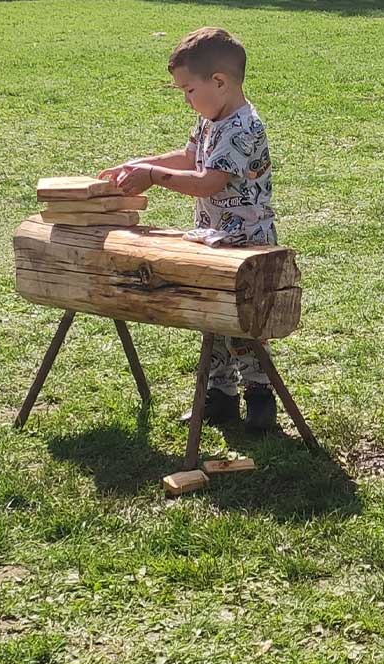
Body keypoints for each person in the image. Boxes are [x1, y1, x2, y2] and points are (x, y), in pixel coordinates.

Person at [100, 27, 280, 431]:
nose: (186, 99)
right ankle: (219, 396)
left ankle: (260, 398)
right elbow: (187, 157)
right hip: (212, 241)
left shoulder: (242, 127)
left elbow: (207, 182)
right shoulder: (211, 118)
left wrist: (152, 176)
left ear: (219, 81)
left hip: (245, 245)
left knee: (243, 324)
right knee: (209, 318)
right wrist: (136, 163)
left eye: (188, 90)